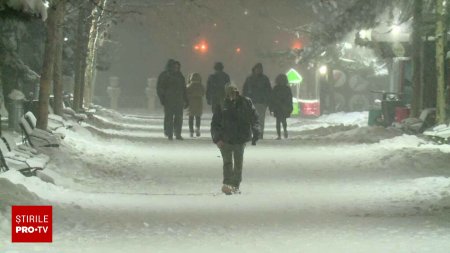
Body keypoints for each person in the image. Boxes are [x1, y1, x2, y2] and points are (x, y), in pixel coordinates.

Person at [211, 83, 260, 195]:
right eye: (229, 94)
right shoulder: (222, 104)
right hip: (225, 138)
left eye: (234, 93)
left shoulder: (246, 103)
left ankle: (235, 185)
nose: (231, 96)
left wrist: (256, 130)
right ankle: (227, 184)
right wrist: (217, 138)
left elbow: (254, 117)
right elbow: (215, 123)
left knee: (238, 163)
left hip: (240, 138)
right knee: (227, 162)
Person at [157, 59, 188, 140]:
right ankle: (170, 133)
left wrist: (186, 99)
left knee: (176, 117)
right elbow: (160, 88)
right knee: (170, 117)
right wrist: (162, 98)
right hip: (170, 100)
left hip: (176, 99)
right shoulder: (166, 75)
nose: (176, 68)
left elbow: (183, 89)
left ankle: (176, 133)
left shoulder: (179, 75)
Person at [242, 63, 271, 139]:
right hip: (251, 102)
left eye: (260, 69)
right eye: (258, 69)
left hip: (261, 102)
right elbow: (245, 90)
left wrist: (267, 101)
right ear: (254, 69)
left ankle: (260, 134)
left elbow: (268, 91)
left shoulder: (265, 79)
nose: (259, 70)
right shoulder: (249, 79)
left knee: (260, 119)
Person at [270, 74, 293, 139]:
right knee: (280, 121)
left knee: (282, 120)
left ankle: (282, 132)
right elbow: (272, 98)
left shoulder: (277, 88)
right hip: (280, 107)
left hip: (281, 106)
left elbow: (289, 98)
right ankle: (280, 134)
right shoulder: (284, 88)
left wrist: (272, 106)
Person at [186, 73, 205, 137]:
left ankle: (191, 131)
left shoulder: (189, 86)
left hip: (191, 102)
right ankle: (197, 128)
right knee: (198, 117)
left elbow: (186, 93)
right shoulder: (201, 86)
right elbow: (203, 93)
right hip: (199, 102)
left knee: (191, 117)